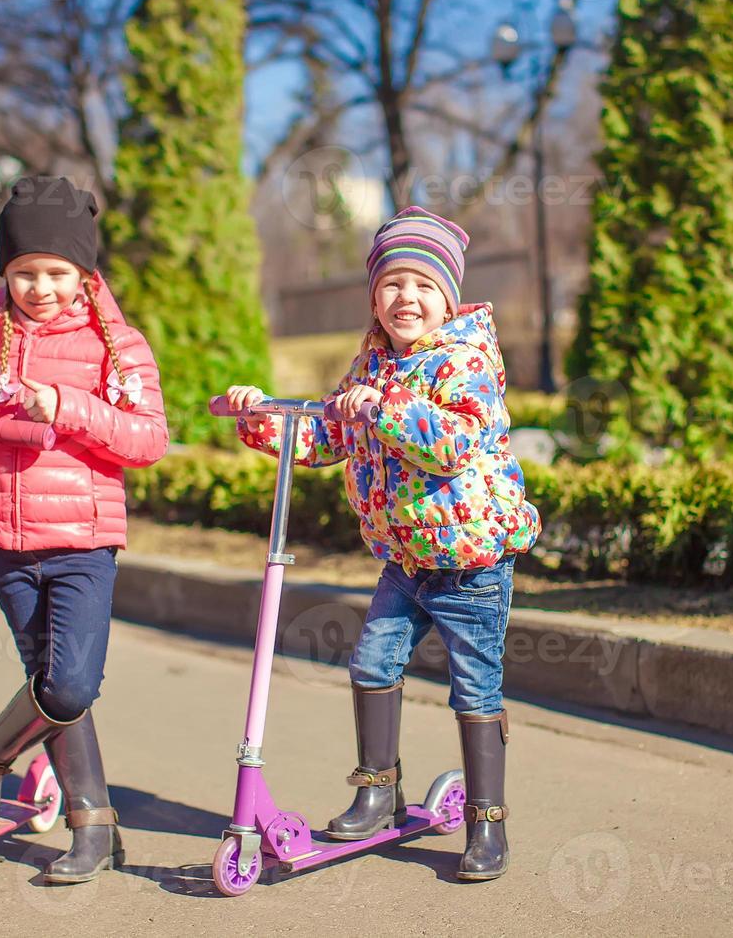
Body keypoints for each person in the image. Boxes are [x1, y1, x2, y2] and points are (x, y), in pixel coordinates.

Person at [222, 206, 541, 881]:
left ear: (447, 297)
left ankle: (487, 822)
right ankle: (378, 790)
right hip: (405, 562)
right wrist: (262, 417)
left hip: (471, 562)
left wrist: (383, 409)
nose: (408, 299)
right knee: (371, 664)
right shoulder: (371, 363)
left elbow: (453, 445)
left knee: (474, 689)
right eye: (393, 285)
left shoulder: (465, 361)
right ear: (374, 297)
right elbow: (325, 439)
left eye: (424, 287)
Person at [0, 175, 169, 883]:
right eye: (25, 272)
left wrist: (66, 404)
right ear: (5, 270)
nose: (40, 287)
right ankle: (96, 828)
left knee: (69, 687)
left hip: (84, 541)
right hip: (4, 537)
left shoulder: (115, 346)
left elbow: (148, 440)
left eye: (57, 273)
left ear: (84, 272)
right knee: (48, 684)